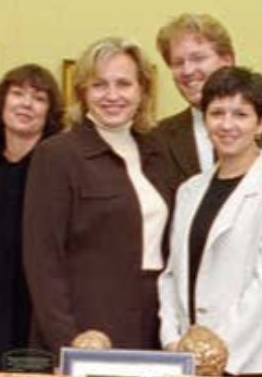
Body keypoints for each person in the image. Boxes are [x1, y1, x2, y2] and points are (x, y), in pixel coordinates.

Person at [23, 37, 178, 351]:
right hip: (87, 325)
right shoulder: (57, 155)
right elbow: (43, 261)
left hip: (154, 322)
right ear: (83, 92)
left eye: (124, 84)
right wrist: (67, 343)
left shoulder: (158, 151)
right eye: (99, 85)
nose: (112, 96)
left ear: (143, 91)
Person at [158, 66, 262, 377]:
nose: (227, 125)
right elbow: (171, 275)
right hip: (185, 362)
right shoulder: (190, 190)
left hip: (249, 364)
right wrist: (173, 340)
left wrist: (213, 355)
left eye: (240, 114)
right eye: (217, 113)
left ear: (261, 123)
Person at [153, 14, 262, 183]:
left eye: (198, 58)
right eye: (178, 63)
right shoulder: (156, 139)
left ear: (227, 60)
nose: (187, 71)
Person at [0, 64, 65, 369]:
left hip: (36, 305)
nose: (26, 104)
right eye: (17, 94)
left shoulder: (57, 167)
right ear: (2, 101)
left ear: (50, 112)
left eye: (39, 98)